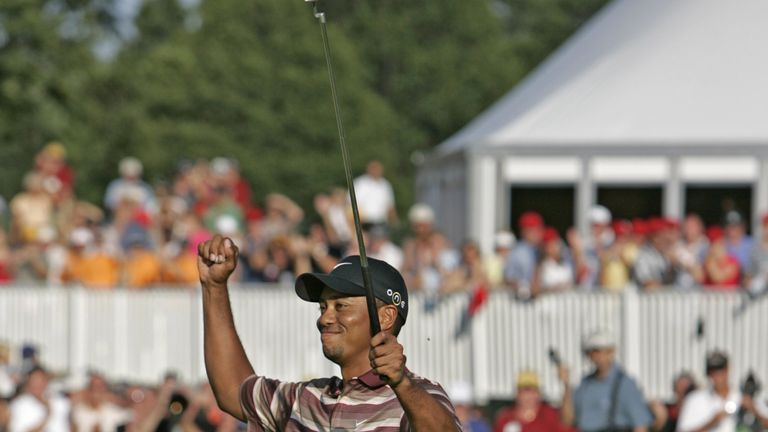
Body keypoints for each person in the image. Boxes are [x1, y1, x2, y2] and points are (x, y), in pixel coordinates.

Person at [197, 235, 460, 430]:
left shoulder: (418, 396)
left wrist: (401, 382)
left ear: (385, 316)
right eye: (323, 307)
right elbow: (233, 391)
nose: (325, 318)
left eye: (340, 306)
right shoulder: (303, 400)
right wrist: (214, 286)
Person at [560, 328, 653, 432]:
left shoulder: (625, 384)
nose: (598, 357)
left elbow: (640, 425)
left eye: (602, 351)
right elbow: (567, 420)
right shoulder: (585, 385)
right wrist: (566, 385)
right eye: (594, 352)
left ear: (612, 352)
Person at [677, 352, 768, 431]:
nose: (718, 376)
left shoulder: (744, 396)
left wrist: (754, 410)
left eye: (721, 371)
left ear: (727, 370)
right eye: (713, 372)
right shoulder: (695, 399)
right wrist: (712, 422)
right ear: (708, 374)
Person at [494, 370, 572, 432]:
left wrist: (566, 385)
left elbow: (567, 421)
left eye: (533, 391)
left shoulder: (548, 415)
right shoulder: (506, 418)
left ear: (539, 394)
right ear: (517, 394)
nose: (528, 396)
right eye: (525, 391)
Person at [352, 160, 398, 228]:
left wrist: (395, 223)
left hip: (381, 223)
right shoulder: (360, 183)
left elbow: (390, 206)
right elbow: (351, 204)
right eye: (374, 168)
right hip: (363, 223)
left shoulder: (386, 185)